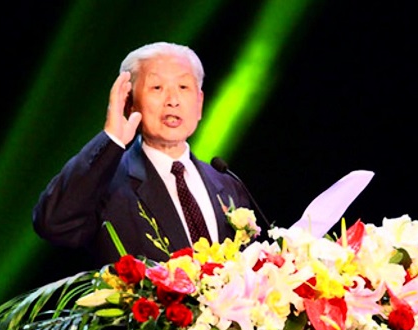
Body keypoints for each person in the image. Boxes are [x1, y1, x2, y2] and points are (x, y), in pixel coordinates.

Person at [32, 42, 254, 268]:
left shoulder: (227, 184)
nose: (173, 100)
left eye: (183, 87)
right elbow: (53, 223)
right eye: (157, 87)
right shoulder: (107, 183)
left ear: (199, 103)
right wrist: (111, 138)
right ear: (129, 103)